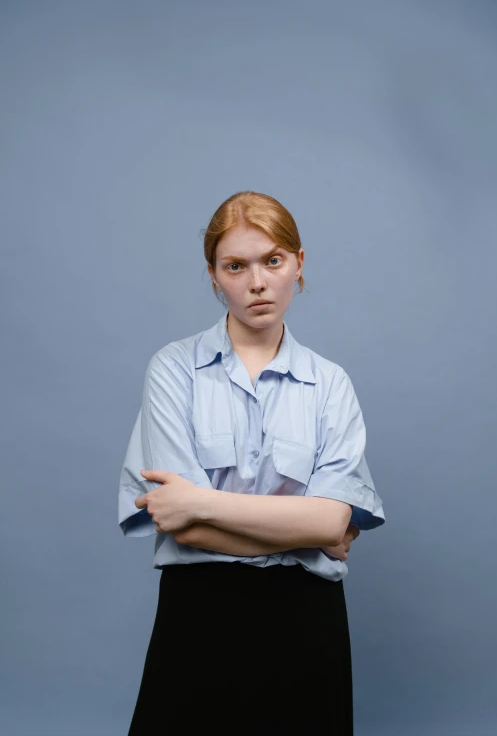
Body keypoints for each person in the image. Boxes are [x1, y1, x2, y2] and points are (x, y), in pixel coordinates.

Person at [118, 190, 385, 735]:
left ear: (299, 264)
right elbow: (178, 524)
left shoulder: (330, 383)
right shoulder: (174, 370)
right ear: (214, 275)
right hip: (199, 617)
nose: (256, 282)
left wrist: (201, 501)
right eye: (235, 266)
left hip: (307, 622)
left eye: (272, 261)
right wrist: (305, 529)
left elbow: (332, 522)